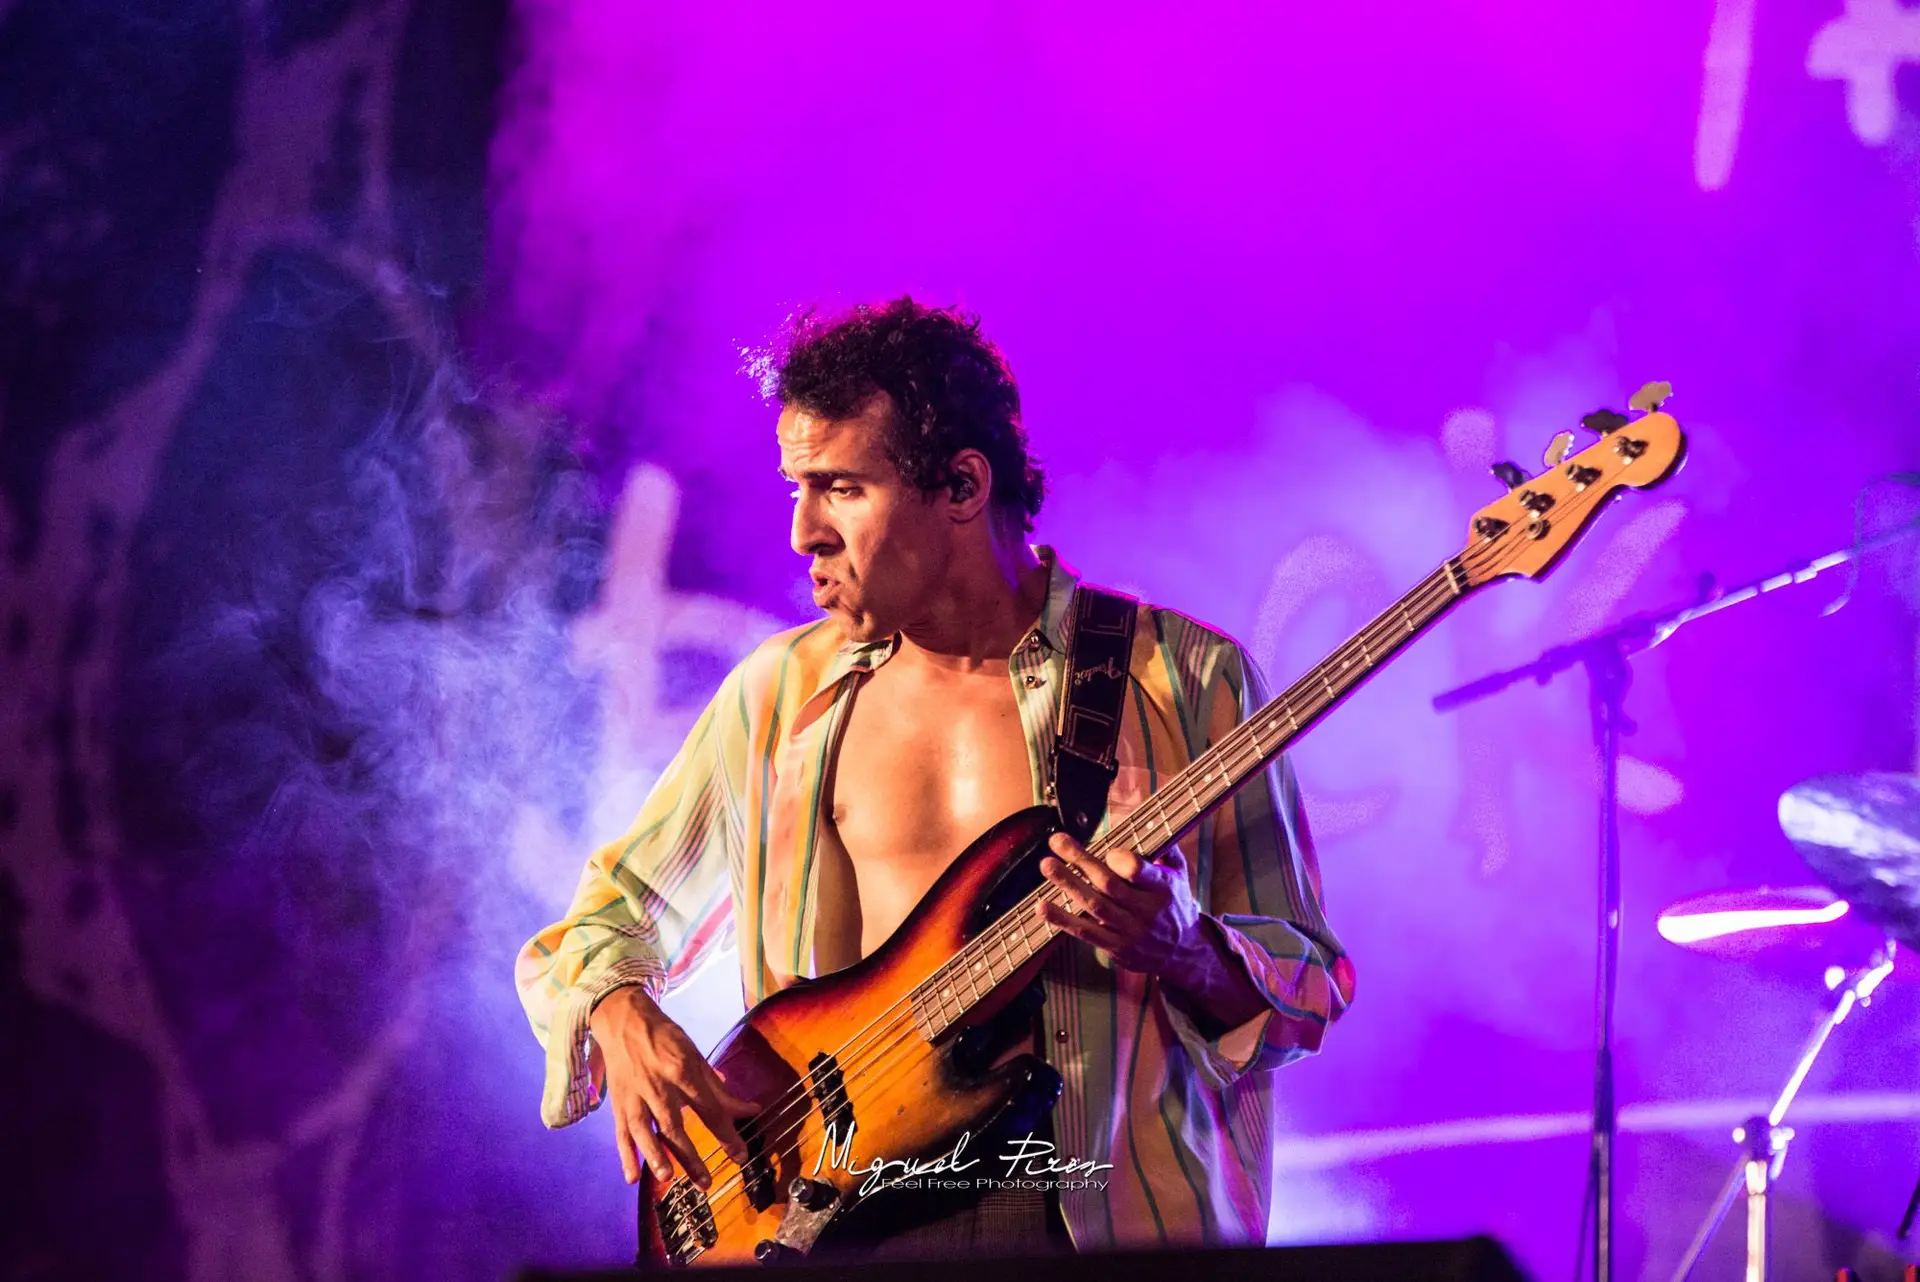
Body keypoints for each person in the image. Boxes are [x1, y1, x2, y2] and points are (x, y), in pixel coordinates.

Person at [514, 298, 1355, 1257]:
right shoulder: (777, 697)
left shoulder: (1185, 679)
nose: (803, 532)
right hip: (832, 1234)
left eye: (840, 488)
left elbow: (1309, 982)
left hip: (1094, 1227)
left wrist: (1186, 949)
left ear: (961, 485)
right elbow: (605, 921)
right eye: (797, 488)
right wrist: (619, 1012)